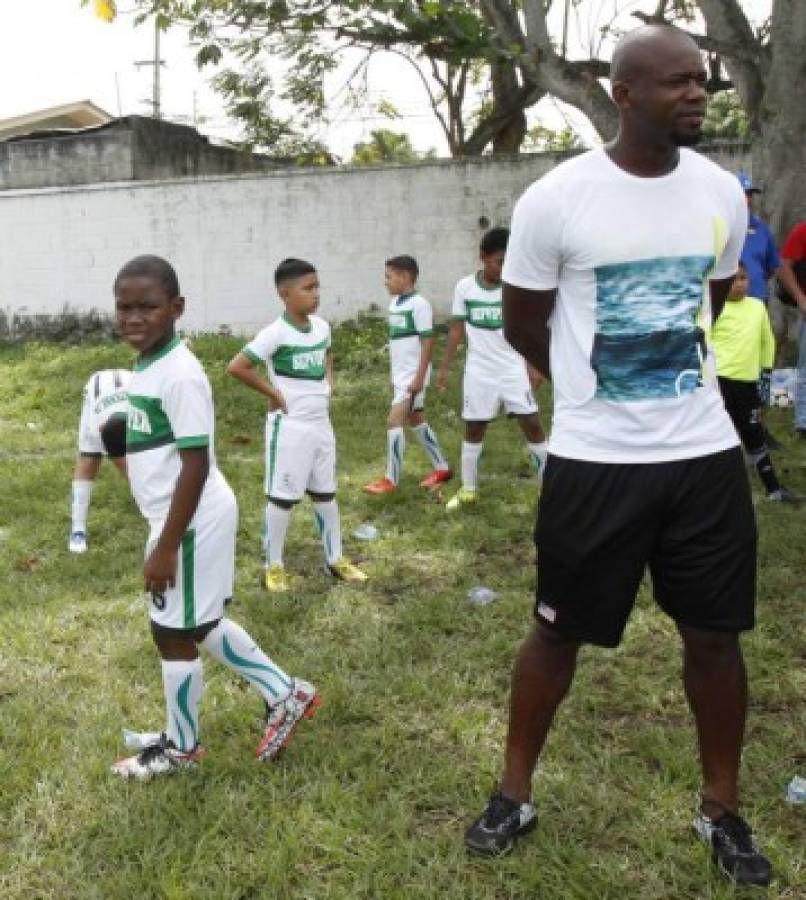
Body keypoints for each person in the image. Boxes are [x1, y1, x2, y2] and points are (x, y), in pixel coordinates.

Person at [464, 25, 772, 888]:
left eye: (702, 81)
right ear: (624, 94)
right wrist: (587, 390)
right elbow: (527, 321)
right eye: (677, 83)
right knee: (555, 633)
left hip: (702, 457)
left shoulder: (719, 190)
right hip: (595, 462)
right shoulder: (557, 199)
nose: (697, 94)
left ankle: (721, 808)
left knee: (715, 638)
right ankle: (514, 791)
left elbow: (705, 304)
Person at [110, 255, 319, 780]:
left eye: (148, 307)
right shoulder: (151, 363)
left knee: (171, 630)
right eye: (125, 307)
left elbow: (196, 463)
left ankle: (183, 747)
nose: (134, 318)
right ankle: (282, 692)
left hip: (190, 519)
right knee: (197, 623)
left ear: (176, 308)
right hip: (182, 518)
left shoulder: (180, 374)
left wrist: (165, 545)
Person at [227, 258, 367, 593]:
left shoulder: (321, 328)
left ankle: (335, 559)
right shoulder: (275, 333)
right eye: (308, 288)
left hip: (321, 424)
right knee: (282, 498)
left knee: (326, 493)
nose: (316, 294)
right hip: (290, 427)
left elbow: (328, 353)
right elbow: (238, 366)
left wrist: (330, 380)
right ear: (285, 293)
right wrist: (273, 392)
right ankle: (272, 566)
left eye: (317, 286)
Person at [436, 227, 548, 510]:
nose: (504, 268)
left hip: (512, 369)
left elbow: (529, 329)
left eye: (509, 262)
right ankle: (469, 489)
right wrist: (444, 368)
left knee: (532, 425)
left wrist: (534, 366)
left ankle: (549, 488)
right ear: (483, 258)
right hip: (479, 372)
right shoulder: (465, 288)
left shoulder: (514, 289)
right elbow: (456, 331)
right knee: (474, 427)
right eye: (499, 261)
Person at [364, 255, 452, 494]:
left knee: (394, 421)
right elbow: (399, 346)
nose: (385, 282)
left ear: (404, 277)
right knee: (417, 419)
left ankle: (390, 480)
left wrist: (418, 379)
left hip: (414, 378)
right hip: (401, 377)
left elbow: (428, 343)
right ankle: (442, 468)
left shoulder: (419, 304)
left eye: (388, 276)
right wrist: (394, 377)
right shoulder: (395, 304)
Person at [711, 262, 794, 502]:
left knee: (755, 434)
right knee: (720, 436)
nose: (740, 284)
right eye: (734, 279)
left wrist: (765, 375)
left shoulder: (757, 307)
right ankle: (715, 492)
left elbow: (767, 342)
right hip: (721, 382)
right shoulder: (714, 309)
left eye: (743, 278)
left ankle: (774, 490)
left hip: (748, 384)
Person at [69, 368, 130, 553]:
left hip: (127, 393)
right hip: (99, 395)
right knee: (89, 458)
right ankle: (78, 529)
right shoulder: (99, 427)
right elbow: (131, 473)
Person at [778, 220, 806, 437]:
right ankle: (801, 422)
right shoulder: (802, 229)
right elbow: (782, 263)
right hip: (771, 298)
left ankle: (781, 406)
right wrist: (800, 297)